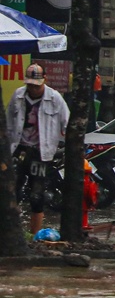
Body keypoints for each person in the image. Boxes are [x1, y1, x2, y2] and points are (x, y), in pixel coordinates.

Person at [8, 63, 68, 236]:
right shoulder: (18, 96)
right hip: (19, 149)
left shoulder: (55, 98)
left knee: (37, 196)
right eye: (30, 85)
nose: (33, 89)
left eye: (36, 85)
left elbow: (68, 123)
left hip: (41, 153)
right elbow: (7, 122)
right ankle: (12, 232)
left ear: (44, 81)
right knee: (12, 191)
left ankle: (35, 235)